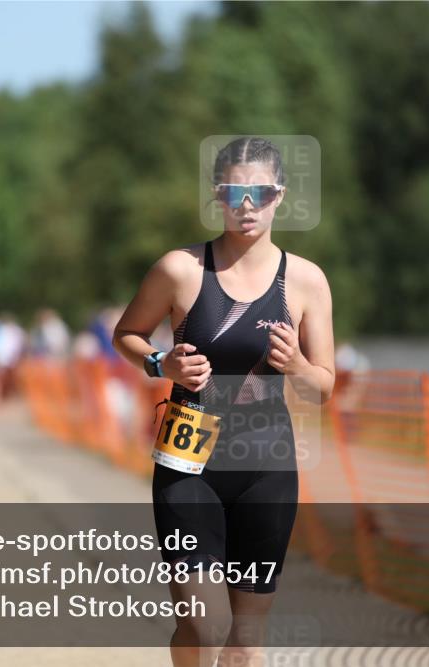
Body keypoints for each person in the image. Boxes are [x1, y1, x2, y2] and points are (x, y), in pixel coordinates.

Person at [113, 137, 335, 667]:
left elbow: (322, 385)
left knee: (245, 643)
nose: (247, 205)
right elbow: (127, 334)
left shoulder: (305, 280)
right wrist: (159, 364)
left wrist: (298, 367)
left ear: (279, 195)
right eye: (235, 192)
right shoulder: (180, 269)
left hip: (266, 465)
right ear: (218, 195)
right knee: (203, 625)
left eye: (260, 192)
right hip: (188, 462)